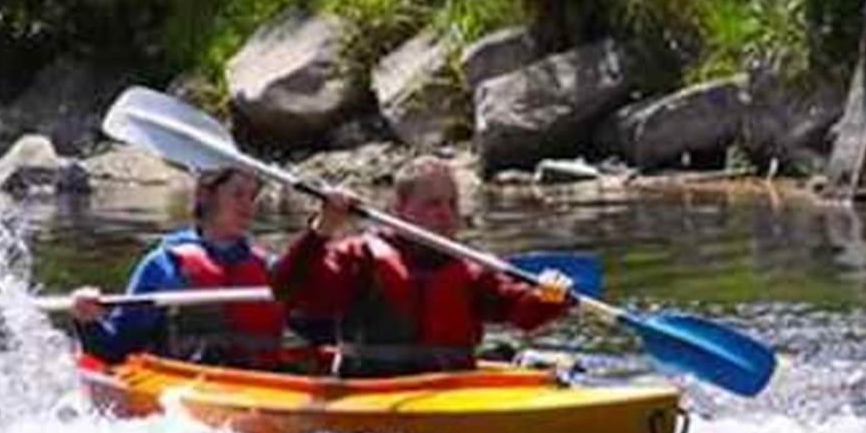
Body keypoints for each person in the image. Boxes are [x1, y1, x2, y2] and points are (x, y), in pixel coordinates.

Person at [271, 156, 574, 377]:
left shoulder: (471, 268)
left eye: (452, 204)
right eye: (433, 204)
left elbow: (522, 313)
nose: (446, 214)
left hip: (454, 393)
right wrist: (323, 228)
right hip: (375, 391)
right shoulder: (360, 257)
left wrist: (550, 295)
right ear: (400, 210)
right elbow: (288, 287)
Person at [70, 166, 285, 367]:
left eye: (252, 196)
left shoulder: (270, 267)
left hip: (263, 382)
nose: (248, 206)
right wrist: (87, 321)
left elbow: (311, 324)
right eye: (237, 194)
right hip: (186, 384)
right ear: (205, 196)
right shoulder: (164, 266)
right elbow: (116, 349)